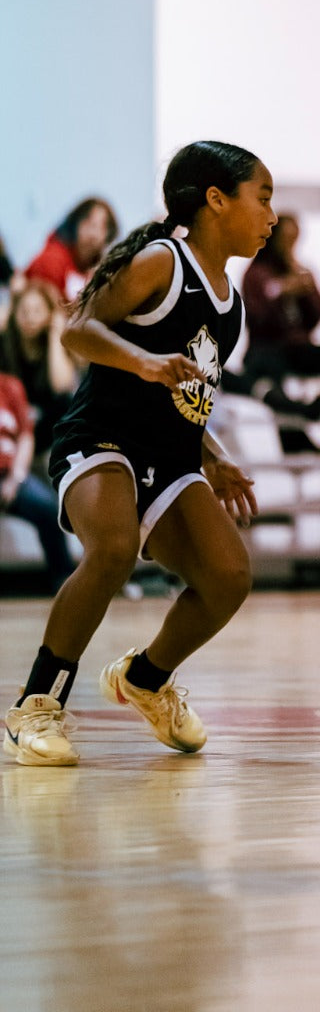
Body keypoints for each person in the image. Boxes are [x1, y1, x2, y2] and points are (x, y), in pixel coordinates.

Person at [3, 141, 275, 768]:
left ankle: (146, 679)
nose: (271, 216)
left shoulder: (230, 305)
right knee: (114, 547)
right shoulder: (162, 262)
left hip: (171, 454)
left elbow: (188, 394)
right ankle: (35, 706)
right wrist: (143, 361)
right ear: (216, 200)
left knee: (228, 578)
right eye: (262, 199)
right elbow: (78, 330)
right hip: (100, 437)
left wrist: (213, 453)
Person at [240, 214, 320, 451]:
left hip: (297, 348)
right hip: (266, 350)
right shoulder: (256, 273)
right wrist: (282, 291)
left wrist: (309, 291)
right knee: (271, 370)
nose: (290, 245)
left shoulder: (299, 270)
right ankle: (294, 439)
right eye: (286, 238)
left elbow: (315, 318)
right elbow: (258, 316)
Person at [0, 370, 75, 593]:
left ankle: (64, 582)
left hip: (9, 474)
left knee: (48, 507)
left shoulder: (10, 386)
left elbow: (26, 435)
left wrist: (15, 477)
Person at [0, 278, 77, 466]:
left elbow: (61, 387)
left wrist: (55, 335)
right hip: (9, 420)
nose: (30, 318)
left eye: (37, 311)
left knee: (66, 402)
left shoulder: (53, 345)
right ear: (14, 312)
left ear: (49, 314)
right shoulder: (5, 342)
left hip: (42, 425)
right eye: (24, 311)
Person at [24, 198, 119, 304]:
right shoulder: (51, 261)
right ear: (75, 225)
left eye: (102, 227)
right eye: (90, 224)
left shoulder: (100, 271)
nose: (94, 234)